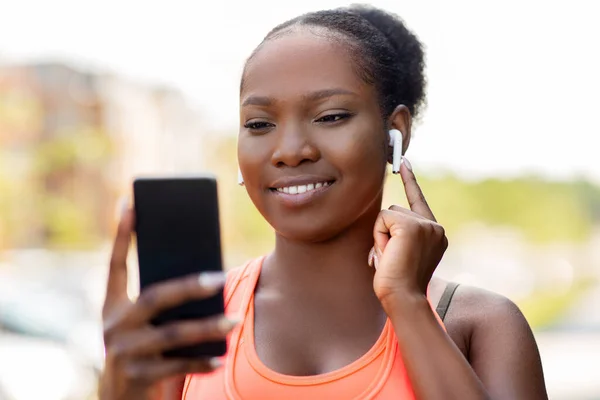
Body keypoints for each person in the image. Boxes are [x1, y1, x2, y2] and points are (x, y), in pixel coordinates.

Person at [99, 4, 548, 400]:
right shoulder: (191, 327)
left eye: (330, 116)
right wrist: (119, 388)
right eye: (259, 124)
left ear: (395, 132)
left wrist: (408, 304)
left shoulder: (480, 325)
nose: (290, 149)